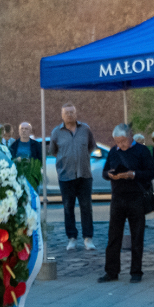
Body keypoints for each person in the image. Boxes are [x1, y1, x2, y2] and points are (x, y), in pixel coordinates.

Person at [99, 124, 154, 284]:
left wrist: (134, 174)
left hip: (136, 197)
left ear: (130, 137)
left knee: (137, 236)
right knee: (113, 236)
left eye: (123, 141)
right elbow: (104, 171)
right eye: (117, 141)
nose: (120, 145)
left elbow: (151, 172)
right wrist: (109, 175)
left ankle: (136, 271)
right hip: (117, 197)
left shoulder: (142, 151)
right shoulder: (113, 152)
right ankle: (111, 272)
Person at [49, 103, 97, 251]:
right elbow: (53, 151)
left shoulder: (85, 129)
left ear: (76, 114)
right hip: (66, 176)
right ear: (62, 115)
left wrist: (82, 157)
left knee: (86, 207)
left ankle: (88, 238)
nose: (69, 115)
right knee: (68, 208)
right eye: (66, 113)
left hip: (84, 175)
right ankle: (72, 238)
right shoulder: (56, 132)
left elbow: (91, 146)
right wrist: (66, 160)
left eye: (71, 112)